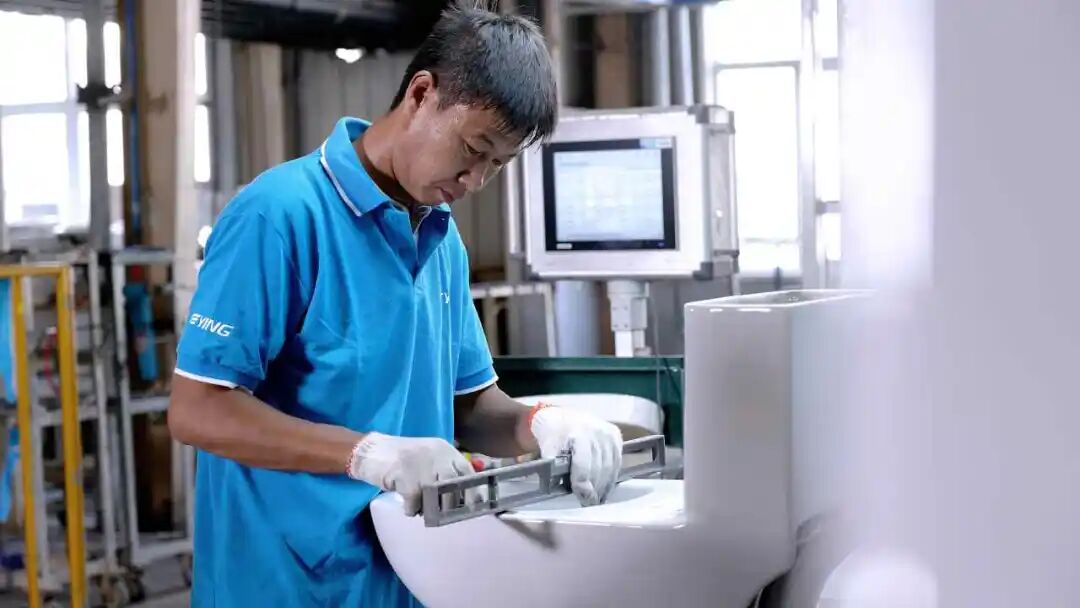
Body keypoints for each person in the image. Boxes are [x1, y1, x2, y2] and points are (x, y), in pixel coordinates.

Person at [167, 4, 624, 606]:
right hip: (284, 585)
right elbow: (198, 410)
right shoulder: (279, 216)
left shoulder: (441, 240)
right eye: (474, 147)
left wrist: (538, 424)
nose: (476, 180)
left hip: (409, 579)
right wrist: (365, 454)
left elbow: (468, 406)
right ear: (421, 93)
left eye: (498, 164)